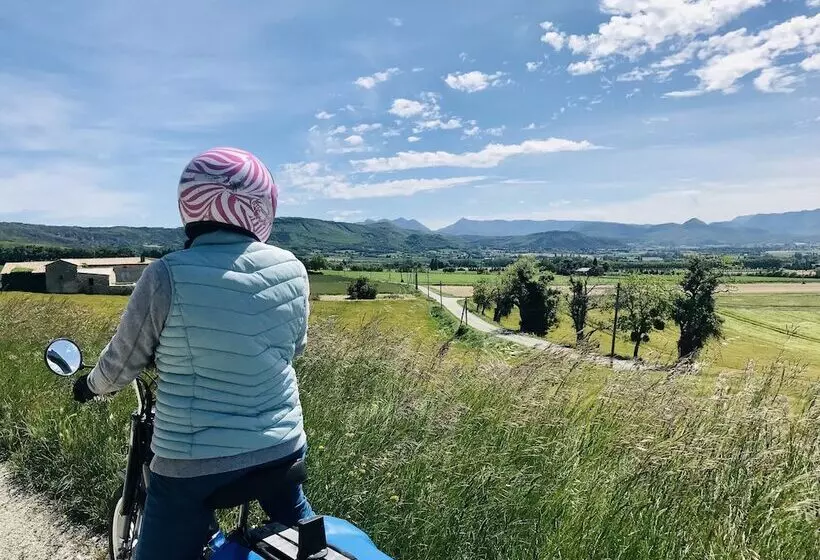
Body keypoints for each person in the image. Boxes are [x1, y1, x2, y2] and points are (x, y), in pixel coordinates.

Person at [72, 147, 313, 559]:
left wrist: (91, 386)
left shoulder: (166, 273)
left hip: (193, 462)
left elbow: (122, 361)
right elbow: (295, 347)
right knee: (306, 540)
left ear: (190, 203)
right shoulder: (293, 268)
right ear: (262, 205)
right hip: (282, 446)